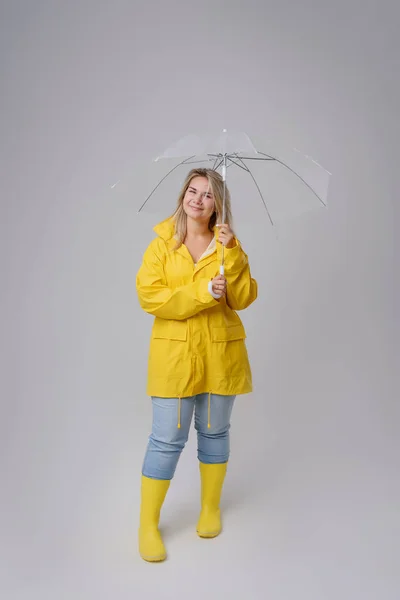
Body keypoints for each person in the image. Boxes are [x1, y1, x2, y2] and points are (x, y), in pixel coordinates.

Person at [136, 167, 257, 562]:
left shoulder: (228, 246)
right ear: (183, 196)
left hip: (219, 354)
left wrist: (234, 254)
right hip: (174, 357)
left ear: (217, 205)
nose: (197, 199)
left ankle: (210, 509)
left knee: (214, 432)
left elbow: (243, 298)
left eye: (207, 194)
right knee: (166, 440)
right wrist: (203, 292)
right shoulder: (161, 246)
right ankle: (148, 525)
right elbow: (152, 297)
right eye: (192, 191)